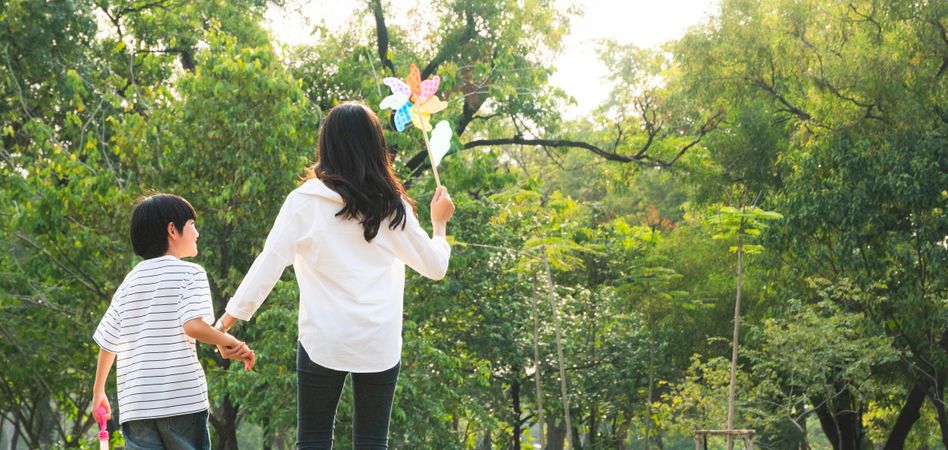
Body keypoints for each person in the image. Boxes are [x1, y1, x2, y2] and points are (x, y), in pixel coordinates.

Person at [216, 102, 456, 449]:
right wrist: (439, 224)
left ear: (326, 145)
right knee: (373, 442)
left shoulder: (304, 201)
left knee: (313, 440)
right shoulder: (393, 207)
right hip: (378, 341)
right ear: (377, 146)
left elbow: (267, 265)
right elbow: (435, 267)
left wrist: (223, 325)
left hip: (323, 339)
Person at [91, 193, 254, 450]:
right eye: (192, 224)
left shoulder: (129, 282)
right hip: (181, 401)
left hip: (137, 406)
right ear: (172, 230)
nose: (197, 233)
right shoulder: (190, 273)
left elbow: (109, 342)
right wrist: (231, 341)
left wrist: (98, 392)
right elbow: (193, 326)